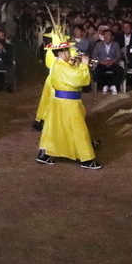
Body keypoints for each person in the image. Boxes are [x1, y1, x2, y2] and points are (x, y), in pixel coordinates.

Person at [35, 36, 100, 168]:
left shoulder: (61, 65)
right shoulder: (61, 66)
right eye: (67, 52)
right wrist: (83, 65)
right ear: (61, 53)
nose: (70, 54)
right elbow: (78, 80)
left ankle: (45, 154)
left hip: (61, 102)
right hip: (68, 103)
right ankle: (86, 159)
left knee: (54, 129)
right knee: (78, 130)